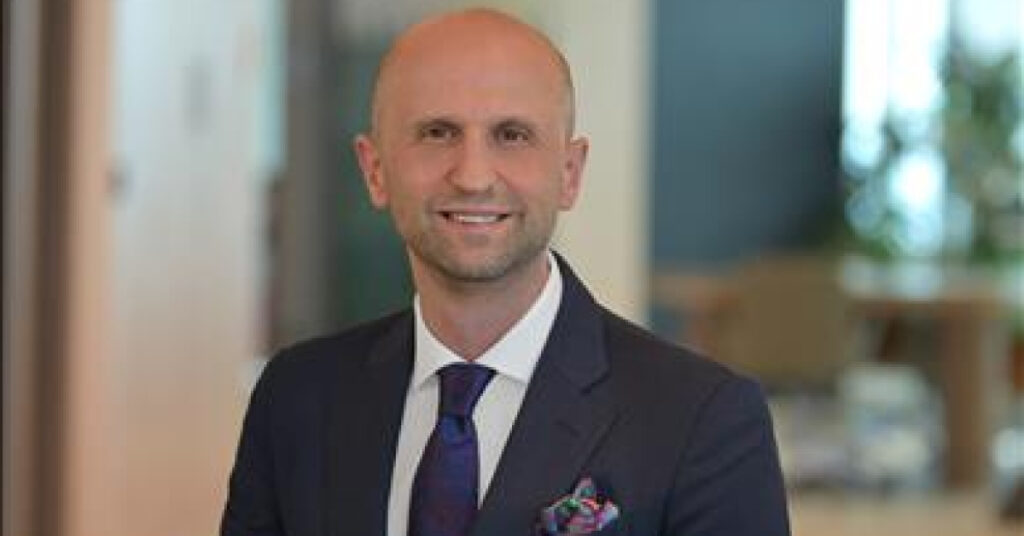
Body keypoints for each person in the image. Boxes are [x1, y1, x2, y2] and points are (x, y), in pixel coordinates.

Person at [221, 8, 789, 536]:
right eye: (438, 133)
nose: (473, 176)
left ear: (569, 173)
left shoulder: (701, 418)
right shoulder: (297, 397)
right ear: (374, 170)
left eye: (512, 136)